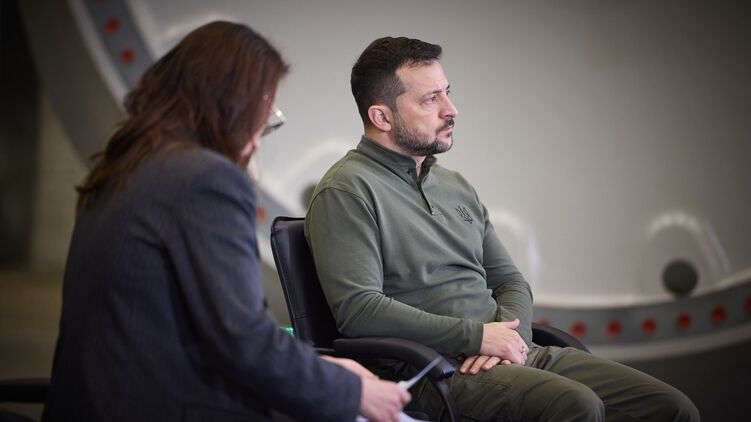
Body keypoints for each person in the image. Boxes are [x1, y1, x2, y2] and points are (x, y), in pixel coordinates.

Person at [305, 36, 700, 421]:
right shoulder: (347, 190)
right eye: (430, 99)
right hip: (433, 370)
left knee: (672, 408)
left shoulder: (454, 185)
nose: (451, 110)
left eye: (447, 93)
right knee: (575, 405)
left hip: (509, 353)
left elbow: (511, 281)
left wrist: (510, 340)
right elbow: (360, 310)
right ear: (382, 117)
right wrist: (477, 337)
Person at [43, 22, 410, 422]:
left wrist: (324, 370)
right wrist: (352, 392)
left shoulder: (125, 166)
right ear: (232, 104)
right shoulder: (205, 180)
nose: (258, 138)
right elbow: (242, 339)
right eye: (264, 116)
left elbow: (189, 328)